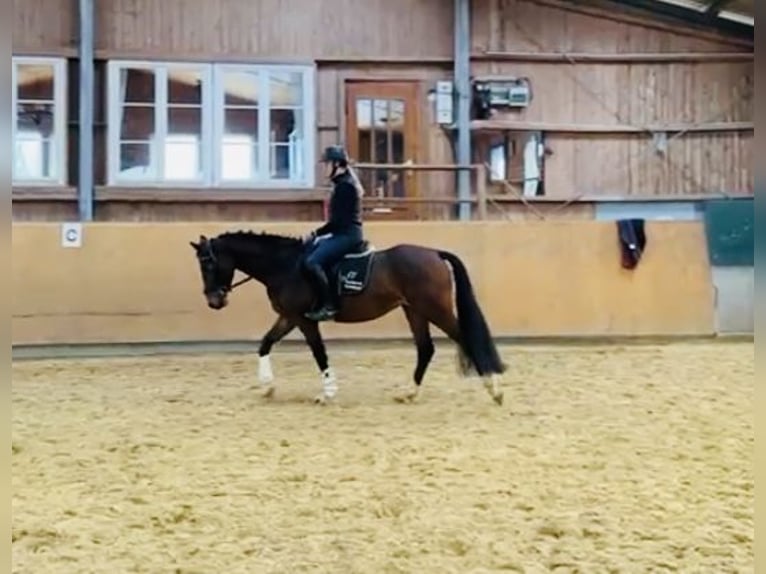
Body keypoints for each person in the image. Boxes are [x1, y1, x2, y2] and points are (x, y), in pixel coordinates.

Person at [302, 145, 365, 321]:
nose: (324, 168)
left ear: (337, 164)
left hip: (347, 236)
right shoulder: (342, 184)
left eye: (326, 163)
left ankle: (329, 305)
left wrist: (316, 233)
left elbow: (337, 222)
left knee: (312, 262)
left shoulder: (346, 187)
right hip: (342, 233)